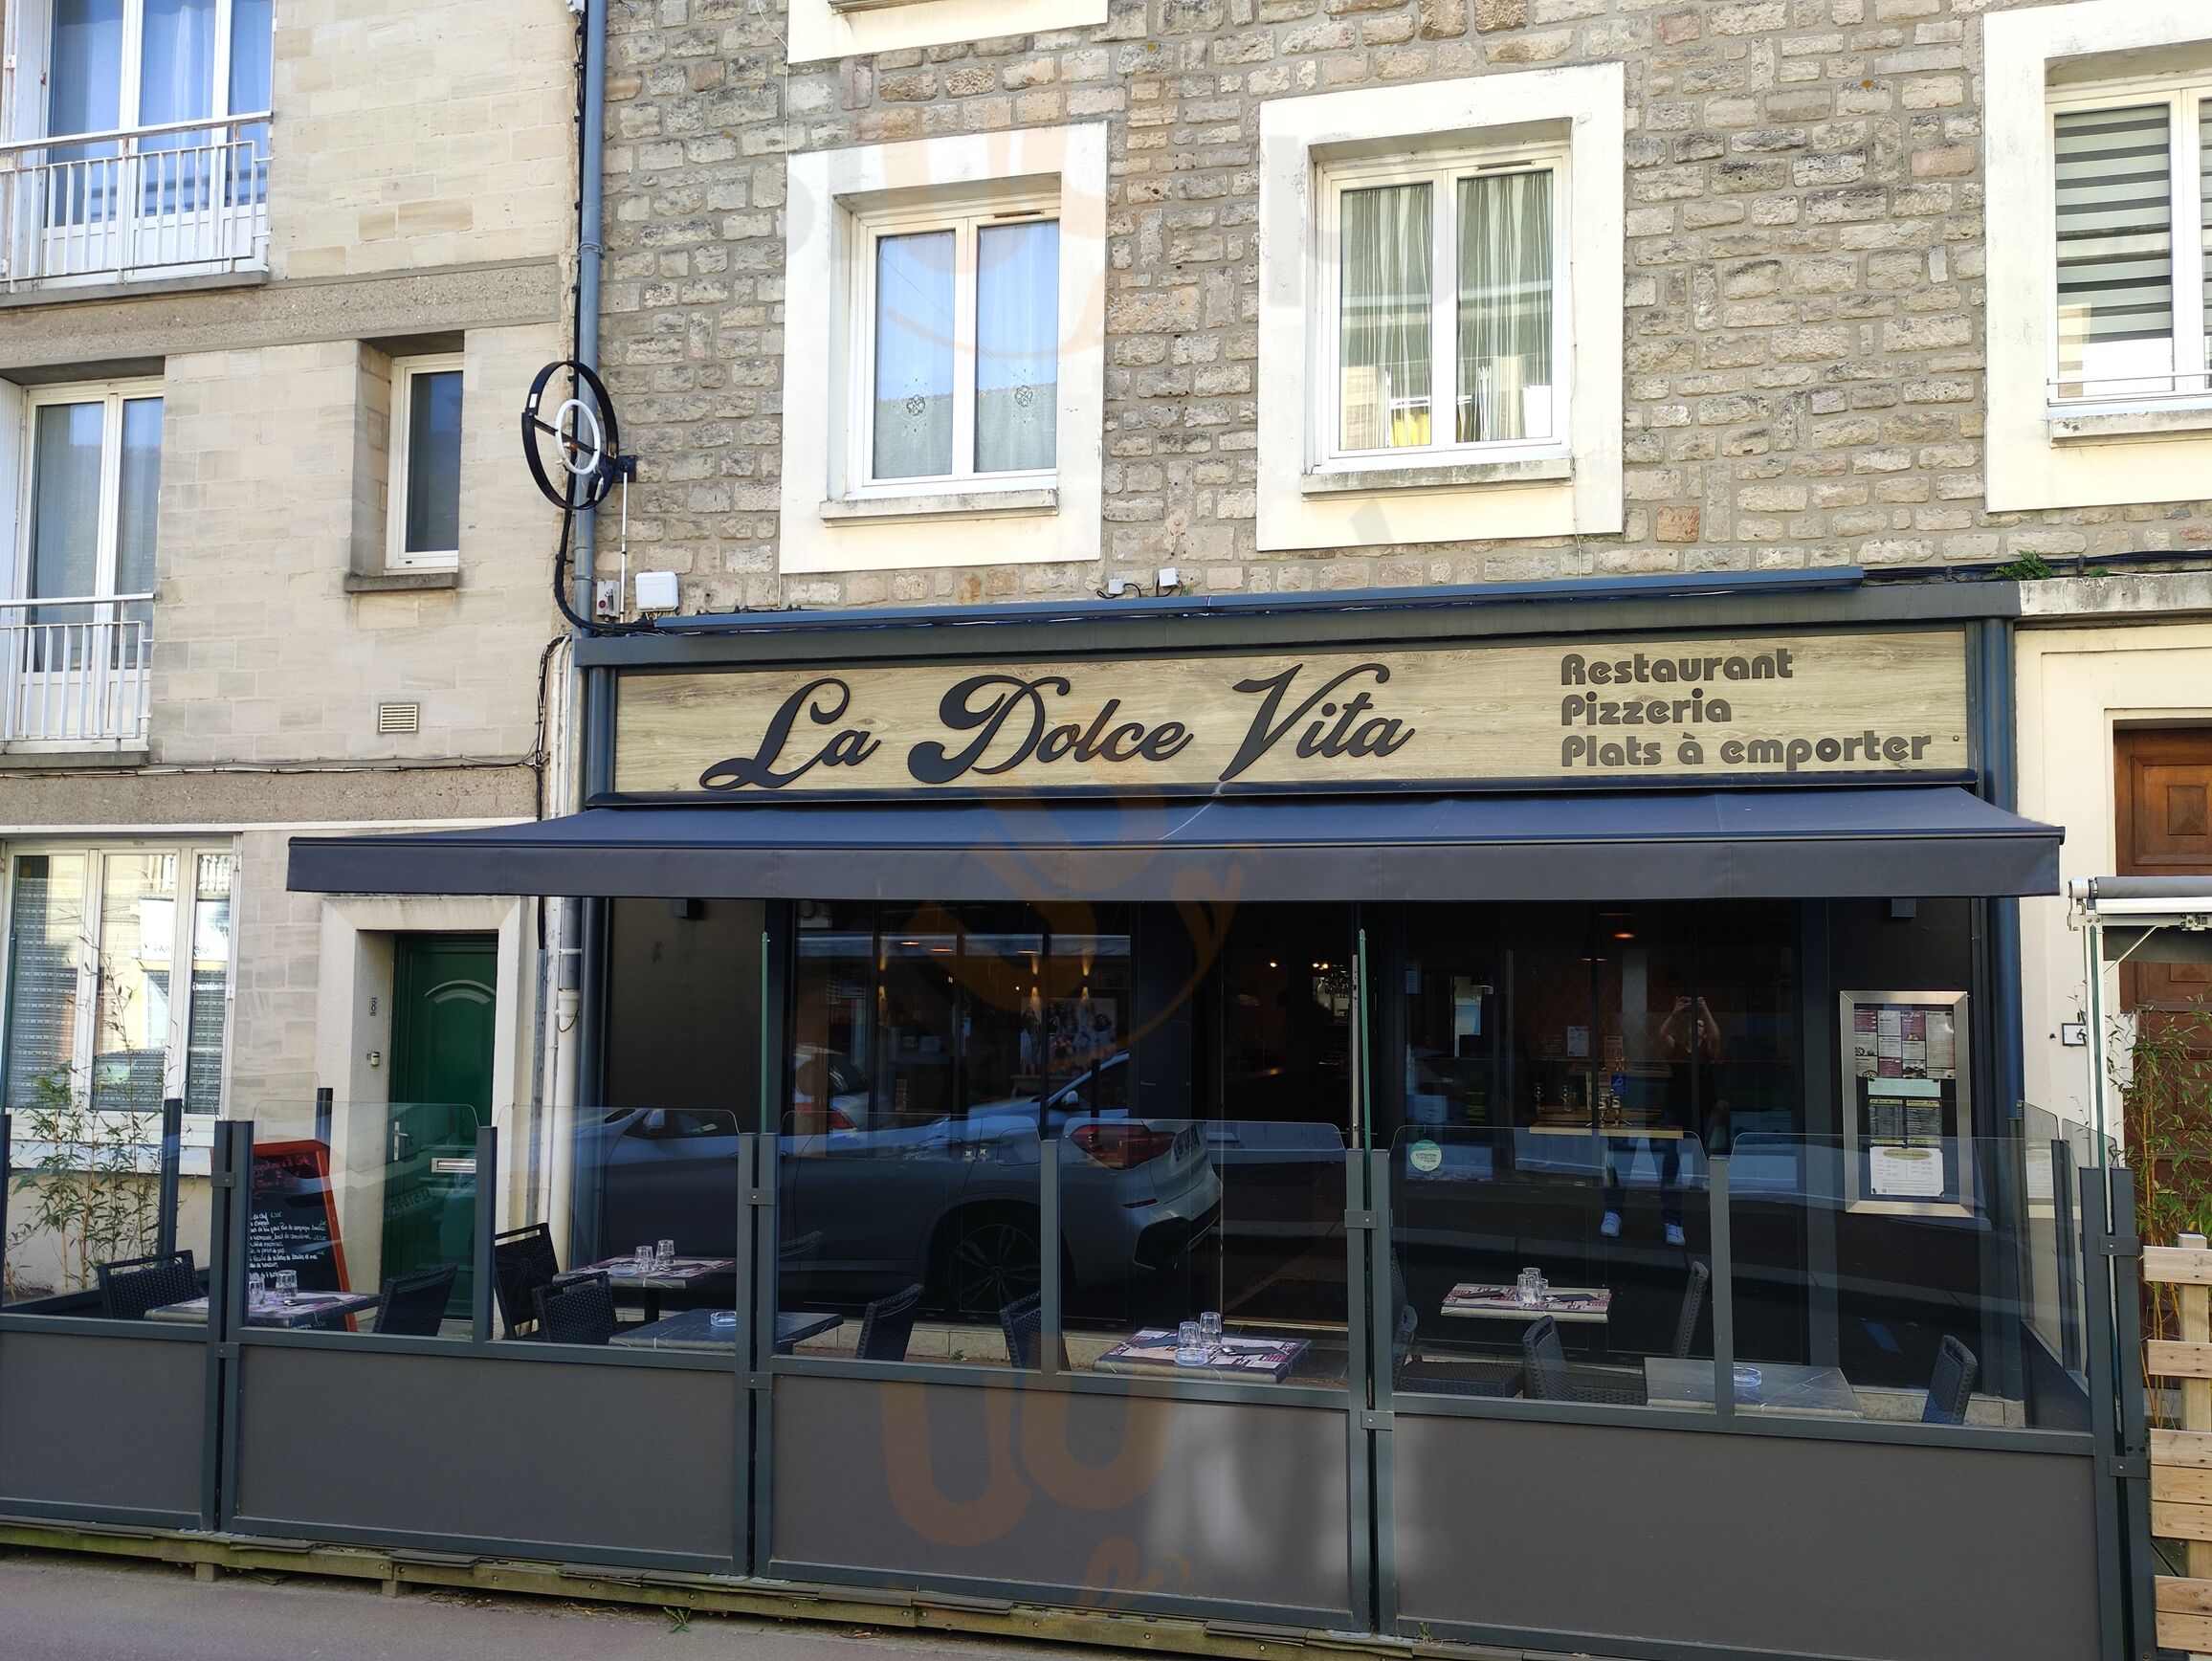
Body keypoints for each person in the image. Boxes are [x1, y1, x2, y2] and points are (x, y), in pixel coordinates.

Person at [1601, 993, 1720, 1247]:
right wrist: (1676, 1013)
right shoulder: (1677, 1050)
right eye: (1694, 1024)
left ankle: (1674, 1221)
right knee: (1661, 1155)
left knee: (1687, 1156)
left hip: (1701, 1106)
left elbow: (1716, 1037)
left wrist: (1704, 1008)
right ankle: (1615, 1213)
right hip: (1673, 1106)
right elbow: (1662, 1035)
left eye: (1701, 1025)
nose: (1698, 1027)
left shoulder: (1707, 1051)